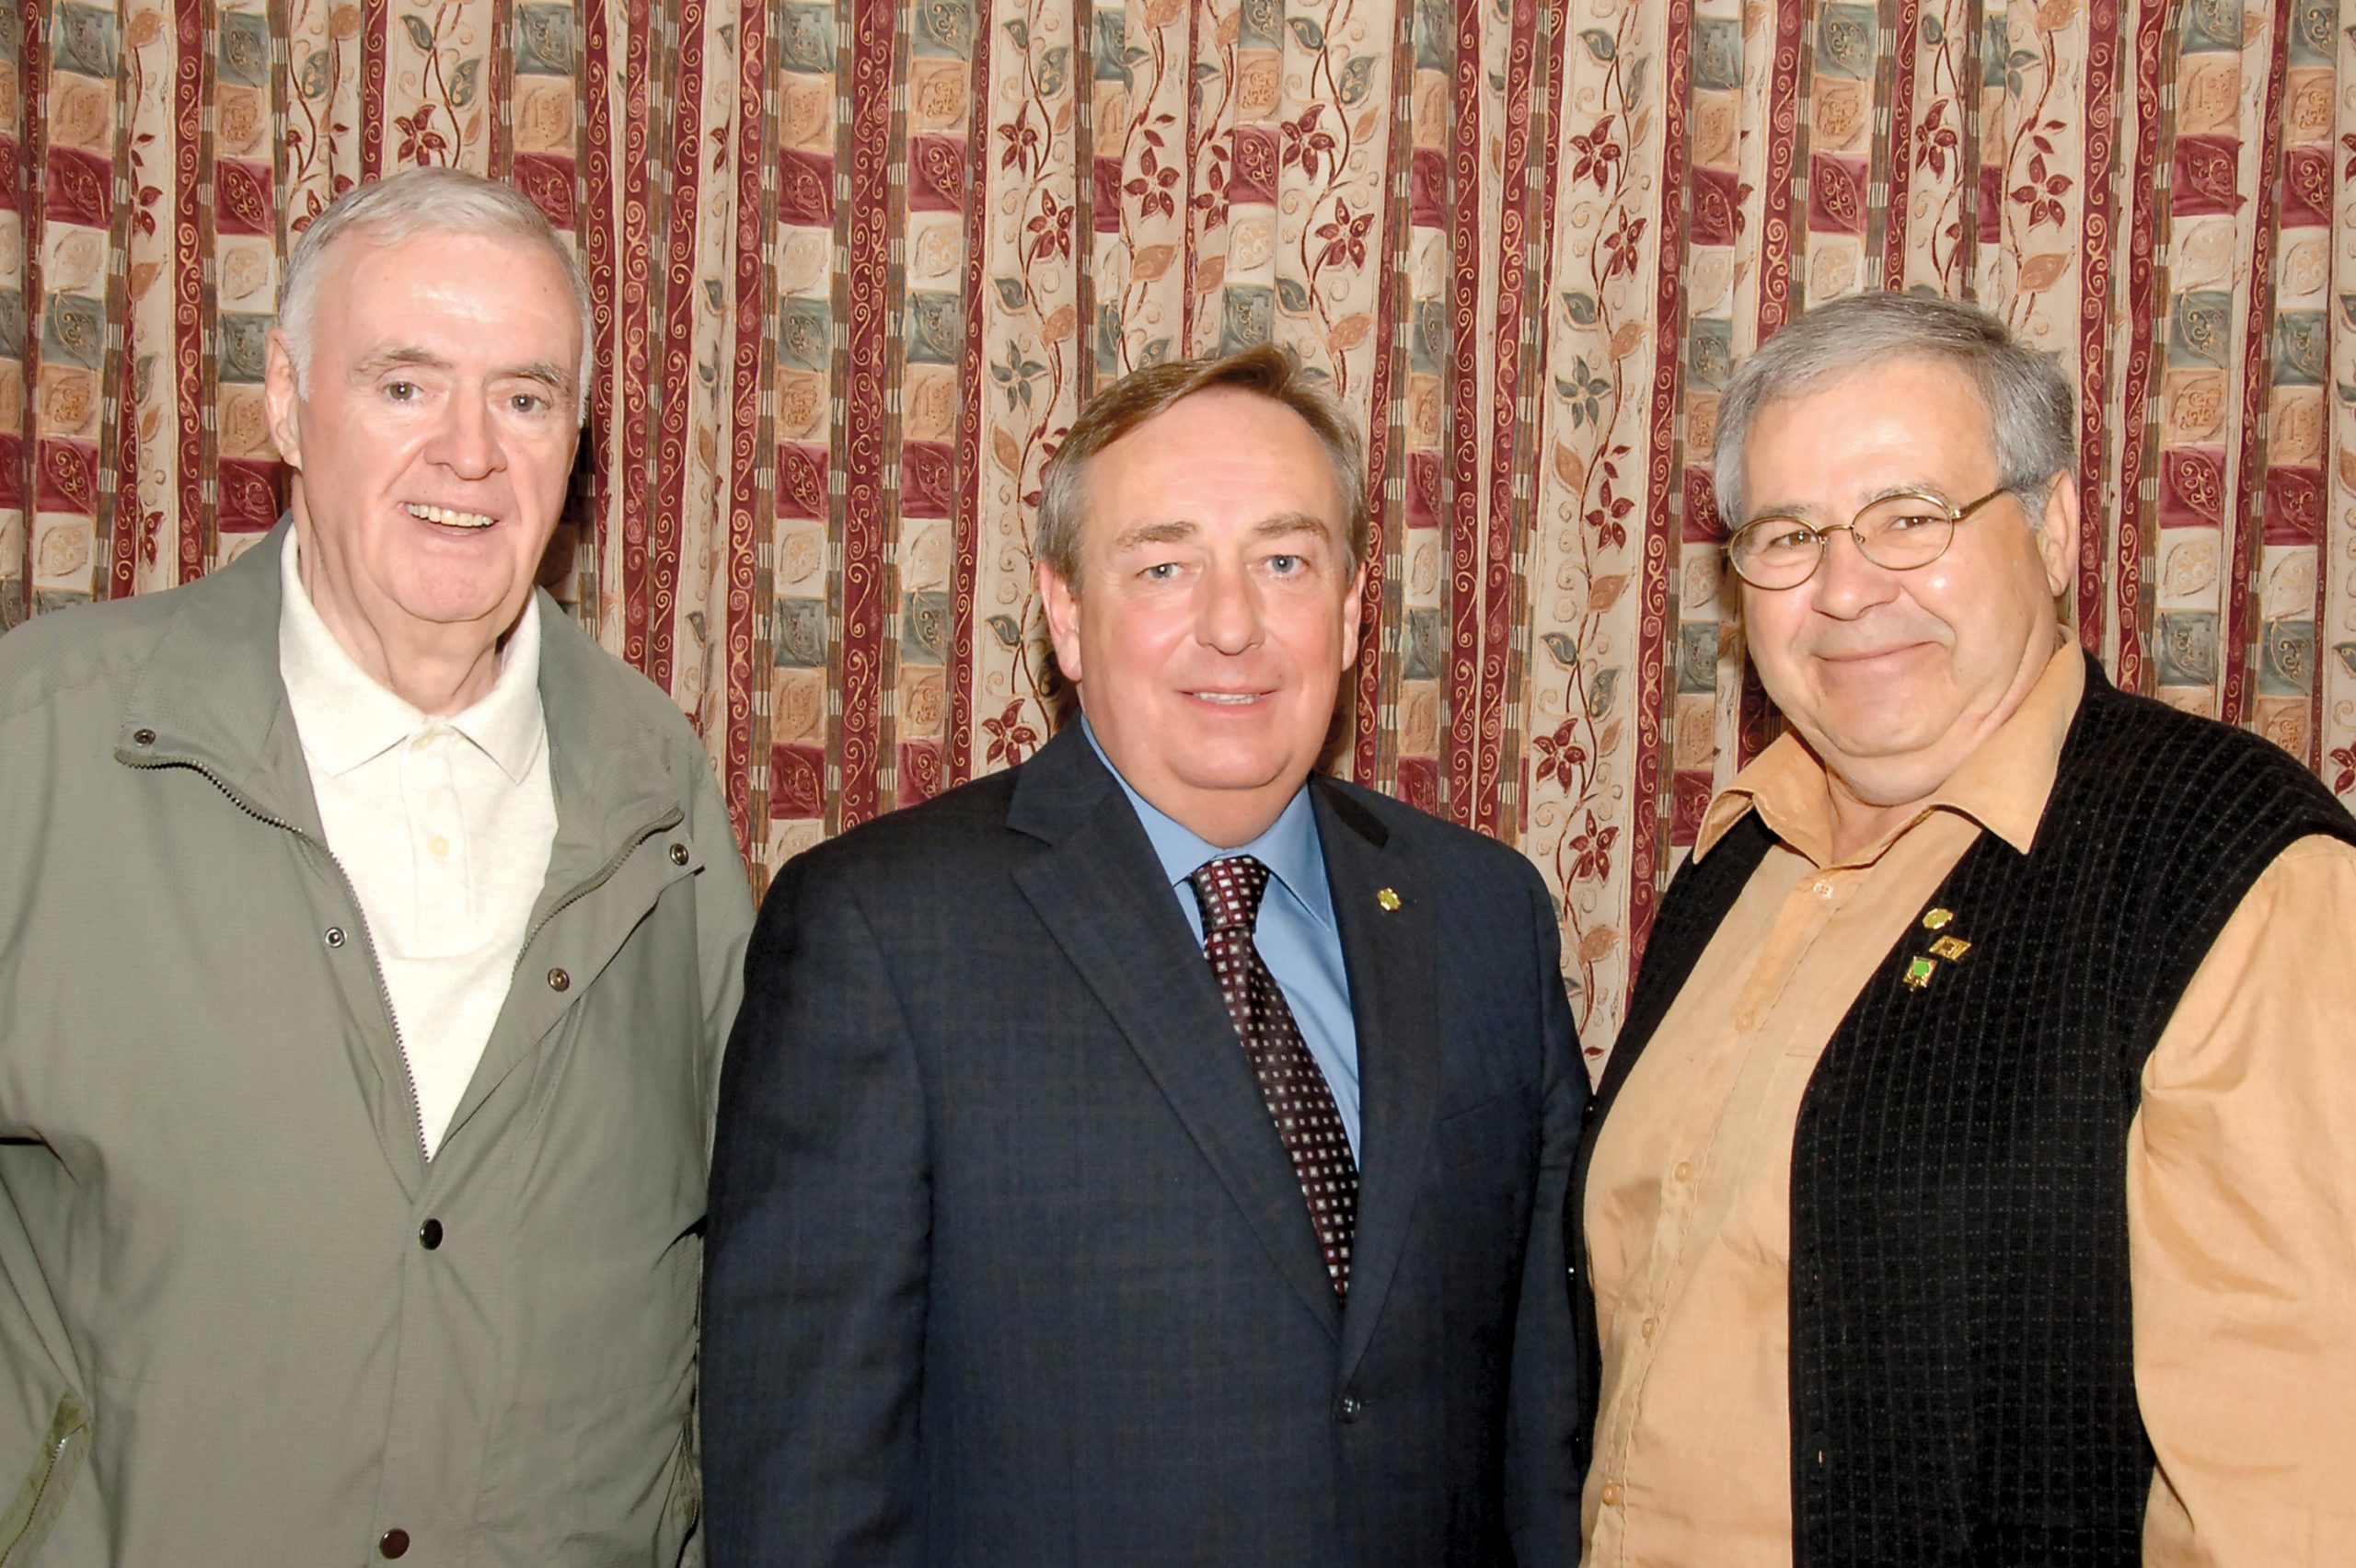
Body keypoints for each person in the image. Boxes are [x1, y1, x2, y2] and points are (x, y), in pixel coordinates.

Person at [704, 345, 1585, 1566]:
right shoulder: (881, 935)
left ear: (1351, 608)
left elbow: (1546, 1418)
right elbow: (806, 1487)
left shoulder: (1486, 915)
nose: (1234, 626)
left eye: (1285, 561)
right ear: (1068, 614)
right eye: (1165, 566)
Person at [0, 167, 752, 1563]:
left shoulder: (656, 787)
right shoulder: (47, 747)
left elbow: (754, 1256)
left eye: (525, 398)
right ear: (285, 403)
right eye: (405, 386)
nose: (470, 453)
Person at [1575, 290, 2356, 1564]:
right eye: (1787, 536)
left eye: (1910, 519)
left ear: (2050, 529)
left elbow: (2294, 1498)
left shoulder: (2227, 872)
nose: (1844, 589)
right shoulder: (1736, 863)